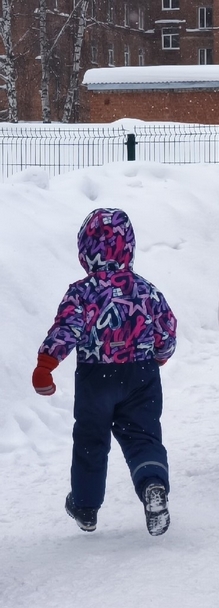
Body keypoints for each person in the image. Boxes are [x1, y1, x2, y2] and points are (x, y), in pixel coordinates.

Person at [33, 208, 177, 536]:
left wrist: (46, 365)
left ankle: (85, 507)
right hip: (141, 374)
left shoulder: (82, 292)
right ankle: (152, 484)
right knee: (143, 435)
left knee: (91, 440)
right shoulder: (146, 289)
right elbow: (166, 327)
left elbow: (67, 328)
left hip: (96, 378)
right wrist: (161, 354)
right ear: (129, 247)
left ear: (85, 250)